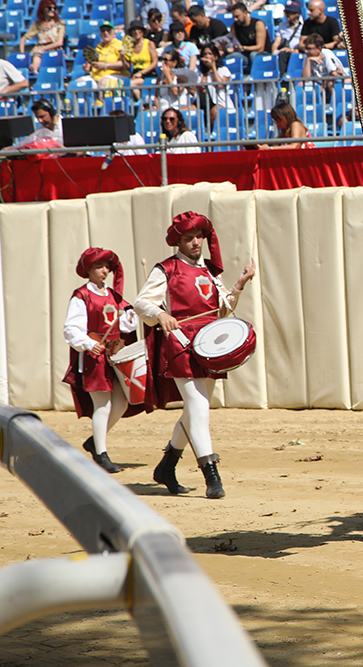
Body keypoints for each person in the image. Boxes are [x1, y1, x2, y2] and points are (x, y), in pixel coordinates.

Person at [134, 212, 256, 499]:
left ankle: (167, 466)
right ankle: (211, 474)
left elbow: (222, 310)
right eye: (188, 238)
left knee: (194, 411)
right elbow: (141, 303)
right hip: (178, 345)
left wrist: (239, 284)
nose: (195, 243)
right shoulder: (166, 269)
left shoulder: (211, 273)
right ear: (178, 241)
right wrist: (161, 313)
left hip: (208, 346)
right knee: (199, 410)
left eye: (198, 237)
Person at [62, 248, 146, 474]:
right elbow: (71, 329)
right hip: (94, 357)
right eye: (99, 267)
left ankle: (94, 442)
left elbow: (127, 325)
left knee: (121, 402)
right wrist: (90, 344)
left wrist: (133, 313)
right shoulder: (81, 296)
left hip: (115, 356)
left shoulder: (113, 295)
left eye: (107, 267)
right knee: (103, 404)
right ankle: (101, 454)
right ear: (88, 270)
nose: (105, 271)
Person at [19, 0, 65, 74]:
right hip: (40, 47)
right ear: (43, 9)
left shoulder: (59, 24)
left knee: (38, 52)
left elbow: (60, 42)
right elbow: (23, 39)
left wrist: (43, 48)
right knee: (36, 53)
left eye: (54, 8)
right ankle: (33, 70)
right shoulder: (37, 24)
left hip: (53, 48)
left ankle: (34, 68)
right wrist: (22, 54)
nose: (52, 10)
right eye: (50, 8)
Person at [300, 32, 346, 104]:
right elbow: (305, 79)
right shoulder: (307, 56)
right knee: (300, 85)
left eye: (309, 49)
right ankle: (317, 109)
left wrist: (323, 84)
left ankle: (334, 106)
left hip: (332, 80)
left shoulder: (326, 54)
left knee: (330, 84)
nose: (306, 51)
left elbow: (334, 74)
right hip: (318, 82)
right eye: (305, 48)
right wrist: (308, 61)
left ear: (319, 49)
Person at [123, 20, 159, 89]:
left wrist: (142, 73)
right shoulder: (130, 46)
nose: (136, 32)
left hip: (148, 73)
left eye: (139, 29)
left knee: (131, 84)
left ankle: (140, 100)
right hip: (135, 74)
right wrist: (123, 56)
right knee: (125, 84)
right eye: (134, 30)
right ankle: (139, 99)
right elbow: (127, 67)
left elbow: (155, 62)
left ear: (143, 31)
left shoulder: (149, 44)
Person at [272, 0, 304, 65]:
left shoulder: (304, 25)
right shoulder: (282, 25)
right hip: (283, 50)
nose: (287, 15)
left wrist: (292, 50)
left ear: (297, 14)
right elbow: (276, 42)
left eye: (290, 13)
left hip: (297, 51)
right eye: (286, 12)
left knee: (283, 55)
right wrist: (274, 54)